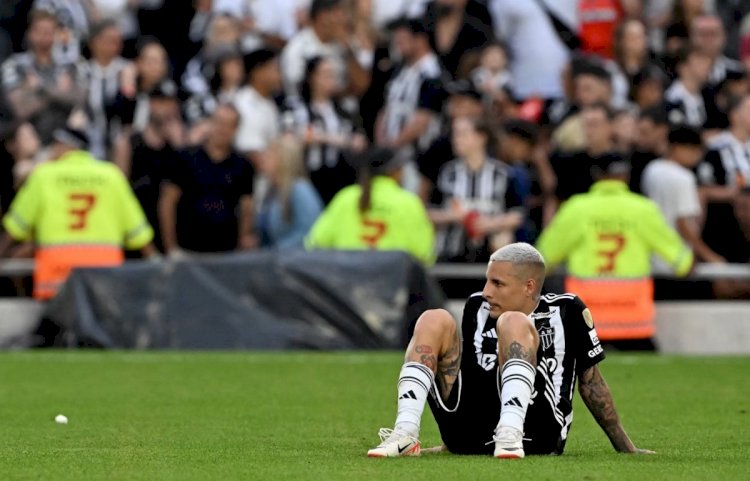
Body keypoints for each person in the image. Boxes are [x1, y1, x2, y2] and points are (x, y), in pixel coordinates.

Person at [367, 242, 653, 458]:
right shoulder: (477, 306)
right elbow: (465, 375)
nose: (487, 291)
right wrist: (448, 442)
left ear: (529, 286)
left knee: (513, 322)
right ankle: (405, 433)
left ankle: (510, 432)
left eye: (497, 283)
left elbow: (592, 384)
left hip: (537, 433)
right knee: (434, 318)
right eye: (487, 280)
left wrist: (626, 448)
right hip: (469, 435)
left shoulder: (568, 310)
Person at [536, 159, 694, 344]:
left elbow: (542, 260)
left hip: (587, 319)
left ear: (596, 176)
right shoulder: (643, 209)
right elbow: (682, 262)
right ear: (626, 176)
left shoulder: (577, 208)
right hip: (633, 321)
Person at [0, 126, 156, 300]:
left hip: (56, 283)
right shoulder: (112, 176)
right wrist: (160, 269)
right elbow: (140, 236)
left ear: (65, 146)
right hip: (104, 282)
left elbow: (13, 230)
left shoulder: (43, 176)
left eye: (56, 144)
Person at [306, 147, 435, 266]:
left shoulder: (345, 198)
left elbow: (314, 244)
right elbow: (426, 255)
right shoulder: (408, 203)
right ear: (395, 172)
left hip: (347, 286)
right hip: (393, 286)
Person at [158, 104, 255, 255]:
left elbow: (246, 208)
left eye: (229, 126)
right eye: (219, 123)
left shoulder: (243, 165)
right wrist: (171, 248)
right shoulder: (185, 158)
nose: (223, 130)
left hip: (227, 251)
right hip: (188, 249)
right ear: (210, 123)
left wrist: (242, 243)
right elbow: (167, 202)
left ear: (236, 129)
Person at [642, 125, 724, 265]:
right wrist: (708, 255)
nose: (697, 156)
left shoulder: (651, 169)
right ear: (679, 148)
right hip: (678, 258)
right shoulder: (684, 177)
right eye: (696, 151)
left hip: (653, 254)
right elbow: (683, 224)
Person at [255, 135, 323, 249]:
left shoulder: (301, 190)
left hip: (295, 261)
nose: (263, 158)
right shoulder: (272, 191)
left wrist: (276, 251)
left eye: (269, 154)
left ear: (283, 159)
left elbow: (311, 231)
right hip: (273, 259)